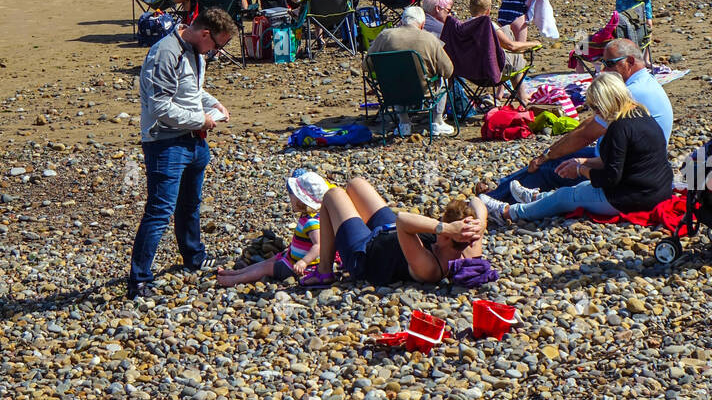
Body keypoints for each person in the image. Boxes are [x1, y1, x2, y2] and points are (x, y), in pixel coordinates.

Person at [477, 37, 673, 216]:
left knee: (551, 172)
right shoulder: (639, 98)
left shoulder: (626, 108)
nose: (604, 69)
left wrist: (577, 167)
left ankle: (502, 205)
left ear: (630, 61)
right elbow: (605, 150)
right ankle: (510, 191)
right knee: (563, 172)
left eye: (609, 64)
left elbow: (589, 138)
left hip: (633, 186)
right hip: (642, 171)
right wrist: (578, 162)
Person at [127, 8, 234, 299]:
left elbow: (191, 92)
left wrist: (215, 103)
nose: (218, 52)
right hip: (166, 143)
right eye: (218, 45)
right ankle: (139, 280)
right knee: (160, 211)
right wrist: (202, 120)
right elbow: (160, 107)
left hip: (195, 141)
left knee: (191, 204)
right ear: (204, 34)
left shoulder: (196, 51)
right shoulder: (165, 54)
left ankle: (193, 256)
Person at [493, 73, 673, 227]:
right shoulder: (641, 113)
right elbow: (620, 160)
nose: (595, 113)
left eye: (595, 107)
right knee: (579, 188)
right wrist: (582, 162)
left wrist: (581, 170)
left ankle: (509, 212)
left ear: (606, 102)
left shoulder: (619, 128)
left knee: (565, 197)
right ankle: (536, 198)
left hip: (635, 197)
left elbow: (610, 177)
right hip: (657, 188)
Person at [296, 180, 488, 289]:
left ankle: (324, 272)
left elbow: (403, 221)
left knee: (333, 195)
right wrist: (480, 224)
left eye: (443, 227)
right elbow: (476, 201)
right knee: (356, 184)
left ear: (447, 235)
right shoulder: (468, 244)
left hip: (365, 253)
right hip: (388, 233)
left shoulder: (430, 268)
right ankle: (347, 222)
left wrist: (445, 228)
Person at [216, 171, 324, 287]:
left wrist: (304, 262)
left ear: (300, 200)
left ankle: (235, 280)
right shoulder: (307, 216)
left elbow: (319, 245)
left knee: (267, 267)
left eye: (292, 195)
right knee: (268, 261)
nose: (290, 198)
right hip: (291, 258)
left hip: (302, 267)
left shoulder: (311, 222)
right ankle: (236, 273)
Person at [366, 5, 455, 136]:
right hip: (424, 91)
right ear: (422, 24)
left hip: (392, 92)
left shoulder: (384, 36)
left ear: (401, 21)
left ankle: (404, 124)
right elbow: (448, 70)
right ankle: (437, 122)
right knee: (443, 78)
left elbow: (366, 65)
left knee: (397, 78)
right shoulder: (430, 38)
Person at [467, 0, 540, 106]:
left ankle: (519, 96)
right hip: (492, 74)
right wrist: (532, 44)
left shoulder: (463, 26)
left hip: (471, 73)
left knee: (505, 29)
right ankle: (522, 97)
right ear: (488, 10)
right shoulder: (488, 25)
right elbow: (511, 46)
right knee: (516, 58)